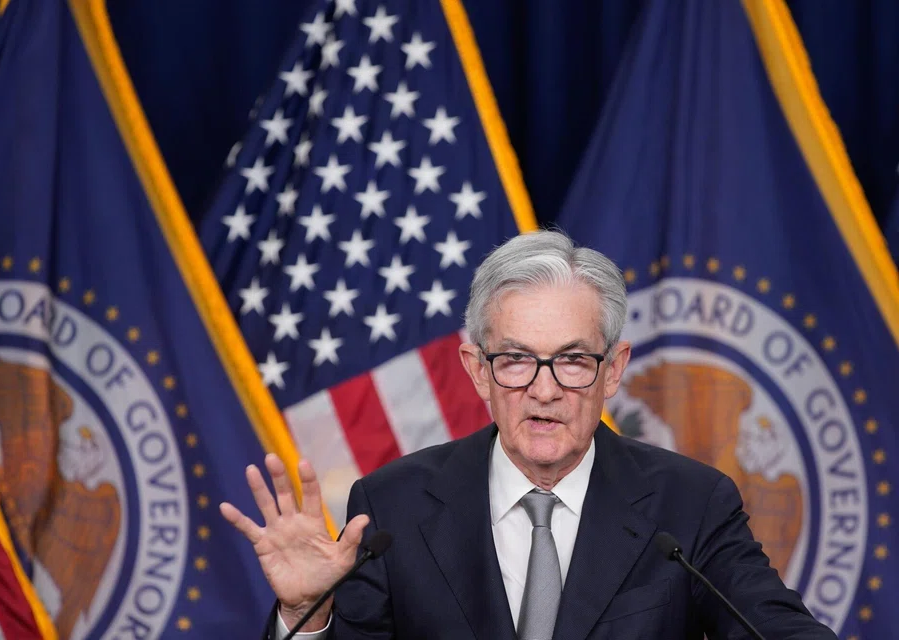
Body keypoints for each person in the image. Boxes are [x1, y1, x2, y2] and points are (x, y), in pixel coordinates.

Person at [220, 229, 837, 639]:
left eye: (572, 360)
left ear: (613, 370)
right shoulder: (393, 508)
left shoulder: (691, 505)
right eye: (516, 359)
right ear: (477, 371)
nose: (544, 390)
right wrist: (306, 617)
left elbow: (776, 629)